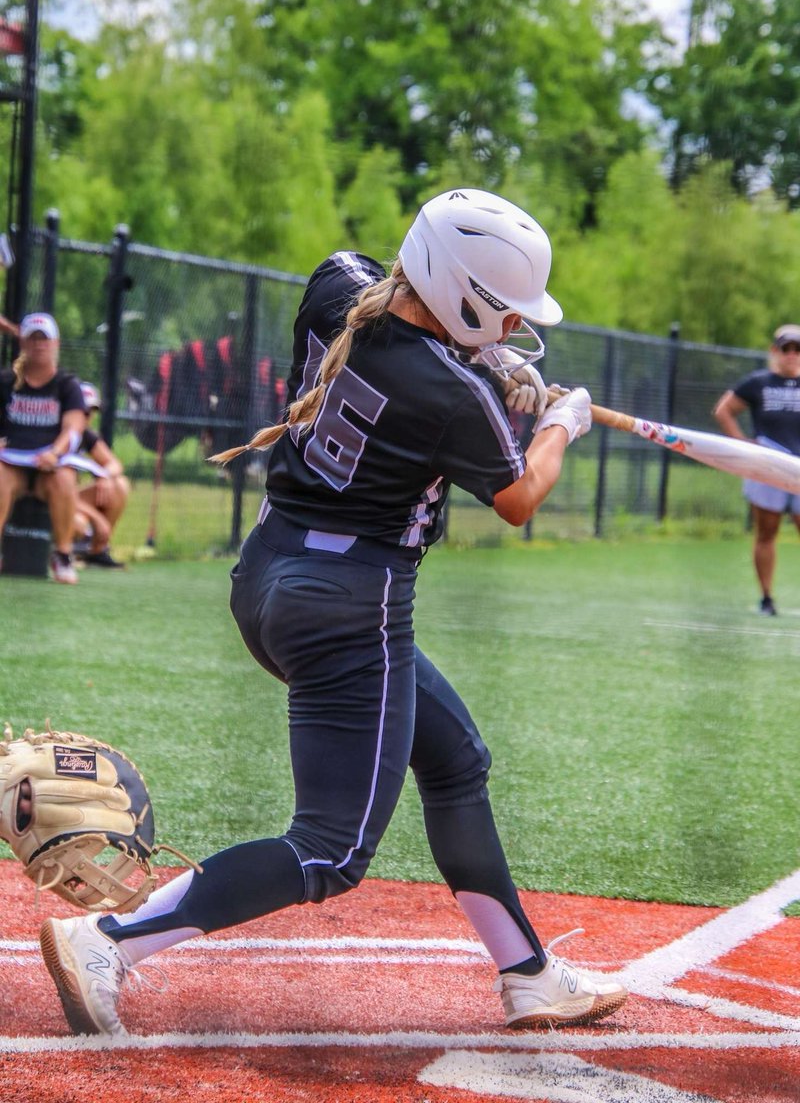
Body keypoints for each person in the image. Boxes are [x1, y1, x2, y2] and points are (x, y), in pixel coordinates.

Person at [39, 189, 627, 1035]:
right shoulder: (452, 393)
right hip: (352, 610)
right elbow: (519, 496)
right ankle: (109, 941)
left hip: (268, 574)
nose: (511, 329)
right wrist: (562, 423)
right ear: (461, 295)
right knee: (330, 849)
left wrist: (494, 367)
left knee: (455, 757)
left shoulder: (338, 288)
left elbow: (398, 326)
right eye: (501, 314)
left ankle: (529, 974)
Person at [714, 323, 800, 616]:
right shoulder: (759, 382)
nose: (792, 354)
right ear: (775, 351)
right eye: (786, 348)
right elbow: (724, 410)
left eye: (798, 349)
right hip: (768, 465)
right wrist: (743, 445)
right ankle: (766, 598)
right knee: (767, 532)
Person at [0, 312, 86, 584]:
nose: (39, 345)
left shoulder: (67, 385)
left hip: (49, 466)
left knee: (65, 478)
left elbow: (74, 428)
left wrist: (55, 453)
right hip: (11, 465)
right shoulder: (5, 381)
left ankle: (62, 555)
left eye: (44, 339)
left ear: (55, 343)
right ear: (23, 343)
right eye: (33, 339)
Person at [72, 381, 129, 569]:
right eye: (83, 411)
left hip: (70, 499)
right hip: (49, 502)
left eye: (91, 412)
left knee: (119, 484)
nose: (88, 416)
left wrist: (104, 475)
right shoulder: (57, 433)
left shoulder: (85, 435)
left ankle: (97, 551)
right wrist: (97, 519)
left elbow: (114, 464)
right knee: (78, 524)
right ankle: (62, 550)